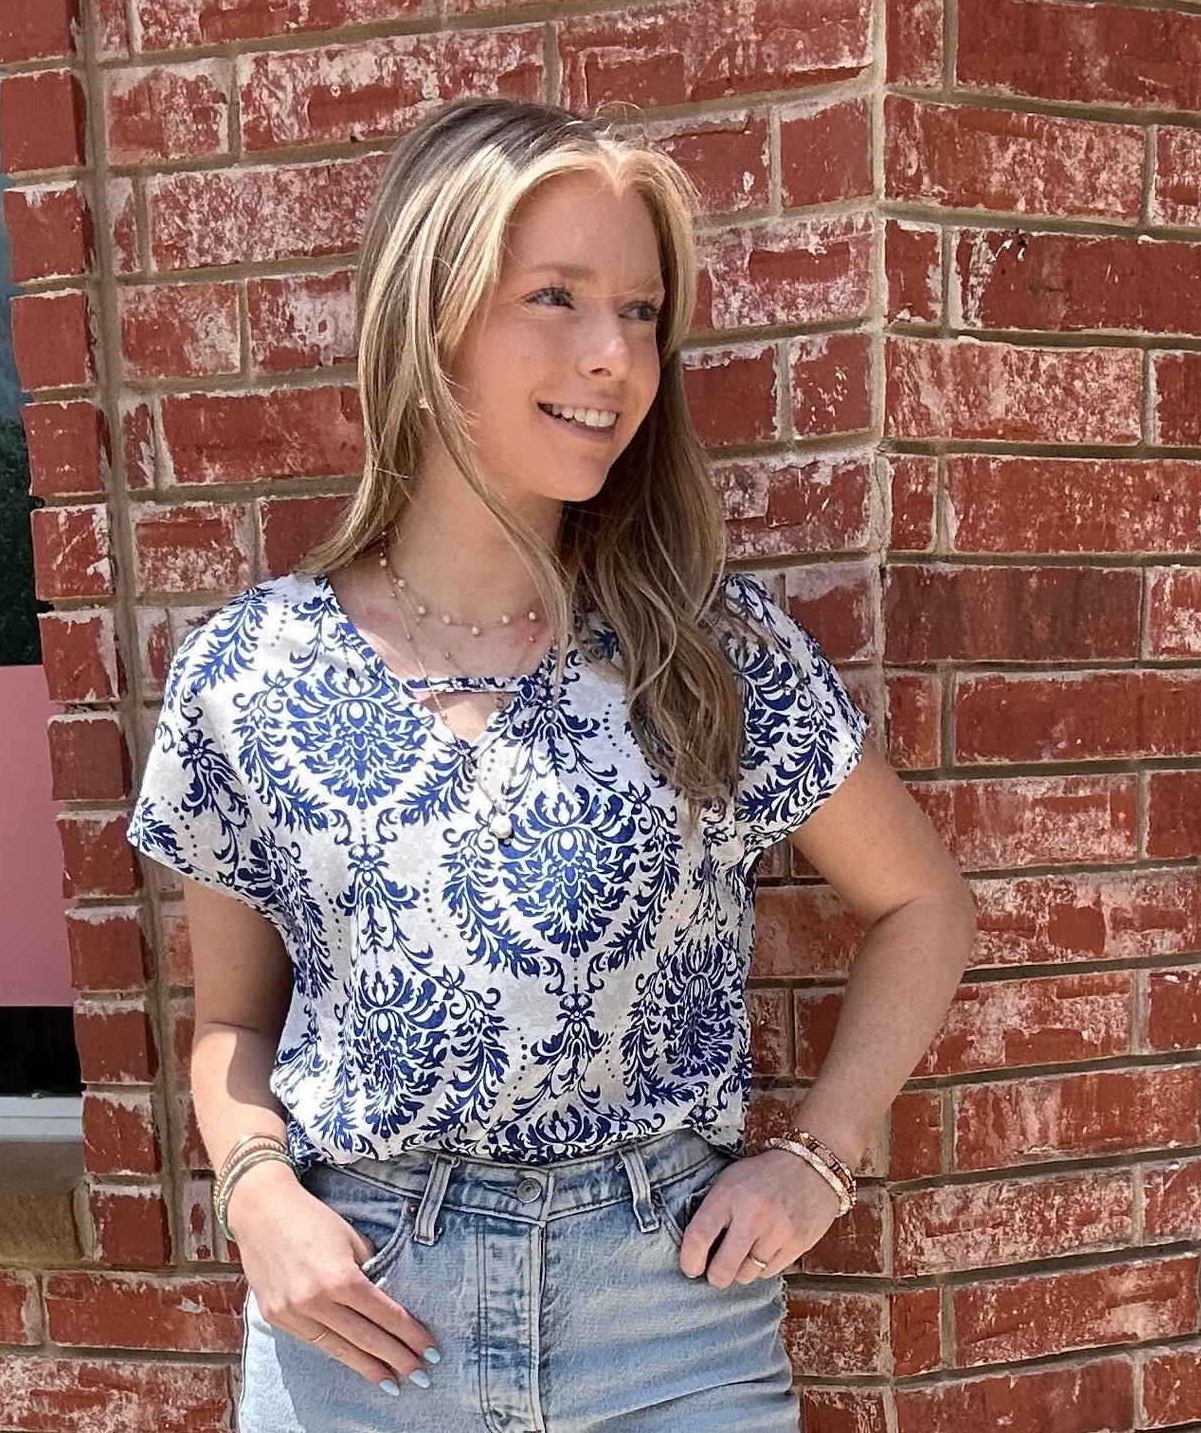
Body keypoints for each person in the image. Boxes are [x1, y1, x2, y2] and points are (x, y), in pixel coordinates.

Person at [125, 96, 976, 1432]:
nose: (611, 356)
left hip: (667, 1315)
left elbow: (921, 904)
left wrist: (820, 1151)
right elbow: (232, 1024)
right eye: (556, 297)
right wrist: (257, 1196)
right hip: (366, 1324)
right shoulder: (252, 669)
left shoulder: (707, 648)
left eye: (639, 312)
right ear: (430, 314)